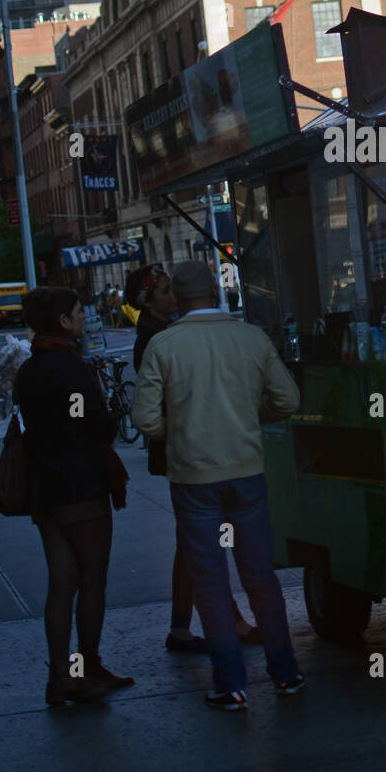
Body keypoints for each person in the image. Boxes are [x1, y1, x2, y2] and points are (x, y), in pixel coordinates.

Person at [133, 260, 303, 711]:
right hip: (246, 471)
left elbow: (145, 419)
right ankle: (286, 673)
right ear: (215, 290)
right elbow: (288, 400)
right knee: (260, 578)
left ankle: (231, 685)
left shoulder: (163, 345)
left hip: (193, 478)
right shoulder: (250, 337)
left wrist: (185, 429)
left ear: (178, 298)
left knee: (209, 581)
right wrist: (251, 416)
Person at [124, 264, 259, 652]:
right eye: (166, 291)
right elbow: (157, 406)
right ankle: (229, 622)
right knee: (203, 541)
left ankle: (182, 627)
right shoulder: (156, 338)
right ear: (149, 300)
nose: (174, 296)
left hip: (183, 447)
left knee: (191, 542)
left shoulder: (163, 333)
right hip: (188, 449)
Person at [14, 286, 133, 707]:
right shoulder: (70, 369)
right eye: (80, 313)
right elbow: (87, 420)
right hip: (81, 488)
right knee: (91, 579)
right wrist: (100, 420)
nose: (85, 318)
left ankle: (61, 676)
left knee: (62, 583)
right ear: (64, 321)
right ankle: (87, 668)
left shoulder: (30, 370)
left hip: (46, 489)